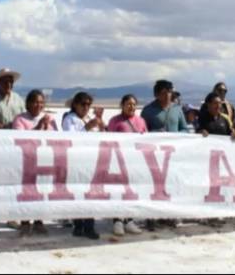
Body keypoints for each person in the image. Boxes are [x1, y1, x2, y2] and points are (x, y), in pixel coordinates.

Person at [13, 89, 57, 237]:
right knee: (27, 192)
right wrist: (39, 127)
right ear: (28, 103)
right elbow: (20, 139)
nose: (38, 105)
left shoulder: (50, 119)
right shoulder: (20, 119)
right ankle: (25, 223)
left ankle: (39, 221)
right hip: (27, 162)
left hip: (45, 161)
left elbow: (57, 138)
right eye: (35, 102)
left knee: (42, 191)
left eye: (41, 102)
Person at [62, 92, 103, 240]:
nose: (86, 107)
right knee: (78, 194)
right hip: (75, 162)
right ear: (75, 105)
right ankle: (79, 225)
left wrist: (100, 123)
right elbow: (70, 138)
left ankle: (89, 225)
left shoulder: (88, 119)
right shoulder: (69, 119)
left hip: (90, 161)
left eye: (88, 104)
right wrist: (87, 127)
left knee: (89, 194)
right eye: (83, 104)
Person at [106, 95, 146, 236]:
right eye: (128, 104)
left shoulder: (140, 121)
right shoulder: (115, 121)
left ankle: (129, 220)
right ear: (122, 105)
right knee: (118, 191)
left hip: (134, 162)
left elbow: (145, 140)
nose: (131, 107)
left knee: (131, 191)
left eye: (134, 104)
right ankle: (117, 220)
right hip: (118, 162)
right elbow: (108, 140)